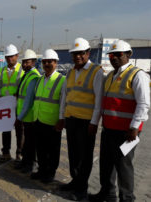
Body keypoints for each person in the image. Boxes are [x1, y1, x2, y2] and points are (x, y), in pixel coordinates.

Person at [89, 40, 150, 202]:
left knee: (124, 167)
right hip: (109, 129)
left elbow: (144, 104)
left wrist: (135, 127)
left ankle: (127, 198)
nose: (114, 58)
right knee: (106, 164)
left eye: (118, 54)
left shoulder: (138, 75)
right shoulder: (110, 76)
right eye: (111, 55)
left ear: (128, 55)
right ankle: (107, 194)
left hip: (126, 133)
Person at [59, 37, 104, 200]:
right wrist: (61, 117)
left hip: (86, 123)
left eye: (81, 53)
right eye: (75, 53)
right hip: (71, 120)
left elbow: (99, 99)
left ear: (88, 53)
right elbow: (65, 96)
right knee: (73, 154)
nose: (78, 56)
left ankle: (82, 189)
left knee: (85, 156)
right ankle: (75, 180)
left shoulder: (96, 71)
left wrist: (94, 122)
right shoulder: (70, 72)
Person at [30, 49, 65, 183]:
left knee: (53, 150)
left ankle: (50, 173)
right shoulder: (40, 80)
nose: (47, 64)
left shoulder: (62, 80)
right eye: (44, 62)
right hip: (38, 120)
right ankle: (41, 170)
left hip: (52, 122)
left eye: (50, 61)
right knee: (41, 149)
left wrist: (61, 119)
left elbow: (63, 102)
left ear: (56, 63)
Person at [0, 44, 25, 162]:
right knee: (6, 129)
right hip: (5, 105)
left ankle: (19, 154)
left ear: (17, 56)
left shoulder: (22, 69)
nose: (9, 59)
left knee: (20, 131)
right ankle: (6, 153)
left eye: (12, 56)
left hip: (18, 105)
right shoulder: (2, 70)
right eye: (7, 57)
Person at [14, 49, 40, 173]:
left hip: (29, 116)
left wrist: (19, 118)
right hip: (24, 115)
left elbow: (29, 101)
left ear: (34, 62)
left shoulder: (34, 76)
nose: (24, 65)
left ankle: (30, 165)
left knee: (30, 143)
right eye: (23, 62)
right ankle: (25, 162)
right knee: (26, 142)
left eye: (27, 62)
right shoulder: (27, 75)